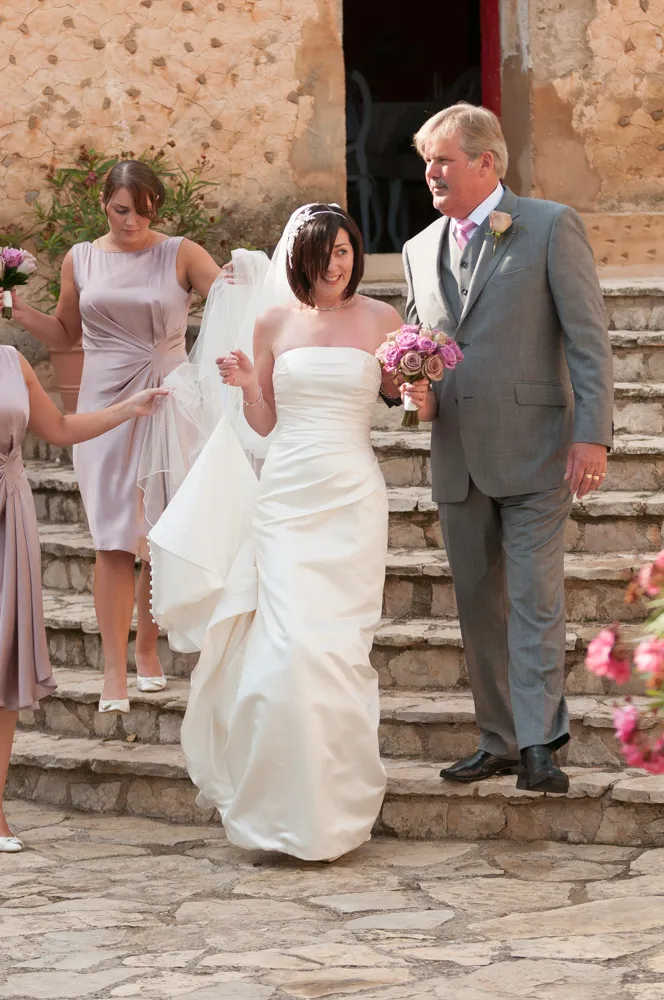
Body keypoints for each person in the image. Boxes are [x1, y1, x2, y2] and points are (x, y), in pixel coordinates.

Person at [147, 205, 404, 861]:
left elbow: (404, 397)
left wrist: (423, 379)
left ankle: (336, 810)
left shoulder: (384, 319)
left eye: (345, 251)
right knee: (288, 648)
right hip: (287, 497)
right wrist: (245, 386)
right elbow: (262, 424)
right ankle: (278, 810)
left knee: (339, 651)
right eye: (325, 253)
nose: (336, 264)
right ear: (300, 258)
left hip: (351, 496)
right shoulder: (272, 321)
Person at [402, 103, 613, 794]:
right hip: (457, 456)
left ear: (486, 162)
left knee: (533, 601)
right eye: (427, 162)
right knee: (477, 606)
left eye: (443, 160)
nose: (431, 173)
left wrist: (592, 435)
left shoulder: (550, 225)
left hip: (537, 451)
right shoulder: (417, 249)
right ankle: (498, 740)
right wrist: (410, 389)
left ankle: (539, 744)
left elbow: (588, 339)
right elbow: (417, 349)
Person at [9, 160, 221, 713]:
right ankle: (113, 672)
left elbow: (230, 301)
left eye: (145, 212)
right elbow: (65, 333)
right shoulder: (80, 258)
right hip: (102, 406)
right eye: (122, 210)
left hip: (168, 401)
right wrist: (19, 310)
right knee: (112, 537)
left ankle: (147, 651)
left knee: (158, 533)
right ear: (103, 202)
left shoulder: (181, 253)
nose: (132, 222)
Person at [0, 343, 167, 852]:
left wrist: (127, 409)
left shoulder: (11, 360)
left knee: (2, 665)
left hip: (8, 517)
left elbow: (59, 428)